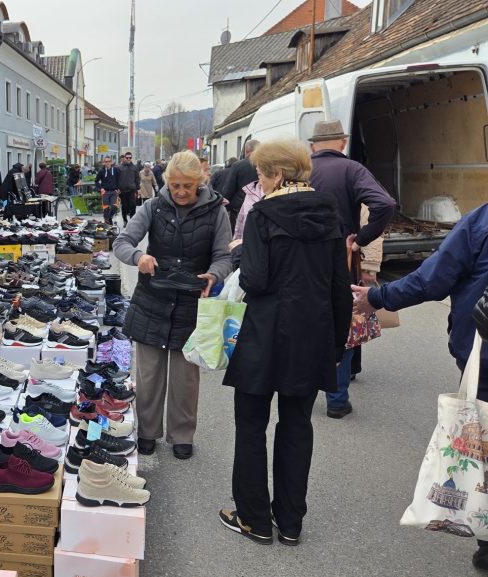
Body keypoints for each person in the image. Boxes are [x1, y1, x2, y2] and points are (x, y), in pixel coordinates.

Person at [218, 139, 352, 546]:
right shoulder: (330, 214)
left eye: (260, 174)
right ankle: (290, 522)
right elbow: (339, 286)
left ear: (277, 175)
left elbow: (255, 281)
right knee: (297, 426)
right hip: (312, 334)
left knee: (251, 425)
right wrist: (336, 345)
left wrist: (240, 253)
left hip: (265, 332)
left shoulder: (263, 214)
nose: (258, 181)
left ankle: (254, 518)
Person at [352, 203, 488, 570]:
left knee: (483, 446)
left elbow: (433, 279)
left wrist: (376, 298)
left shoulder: (481, 222)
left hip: (484, 357)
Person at [112, 151, 234, 460]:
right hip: (152, 301)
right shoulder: (152, 206)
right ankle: (147, 432)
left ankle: (182, 434)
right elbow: (122, 243)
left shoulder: (217, 212)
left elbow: (224, 256)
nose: (180, 192)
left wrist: (214, 274)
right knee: (149, 375)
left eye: (187, 186)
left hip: (191, 304)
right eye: (175, 185)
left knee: (185, 379)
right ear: (167, 182)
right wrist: (139, 257)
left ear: (200, 183)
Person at [308, 119, 396, 418]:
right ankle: (336, 400)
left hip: (300, 261)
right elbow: (384, 204)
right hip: (340, 259)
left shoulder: (299, 171)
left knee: (304, 321)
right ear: (343, 142)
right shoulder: (352, 170)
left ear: (312, 146)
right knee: (341, 323)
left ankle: (303, 392)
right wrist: (361, 239)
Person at [220, 139, 260, 226]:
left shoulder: (238, 165)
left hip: (239, 209)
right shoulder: (265, 164)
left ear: (246, 151)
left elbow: (228, 189)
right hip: (260, 207)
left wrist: (223, 205)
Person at [117, 152, 141, 226]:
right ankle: (125, 220)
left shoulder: (134, 167)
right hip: (123, 190)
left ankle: (132, 220)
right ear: (124, 158)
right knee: (124, 206)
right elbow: (116, 179)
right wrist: (117, 188)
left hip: (132, 190)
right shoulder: (120, 167)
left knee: (133, 205)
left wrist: (138, 189)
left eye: (130, 157)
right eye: (127, 157)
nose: (128, 159)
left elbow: (137, 179)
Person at [95, 156, 121, 225]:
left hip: (114, 192)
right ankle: (108, 224)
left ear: (111, 162)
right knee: (106, 209)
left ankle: (108, 219)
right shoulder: (101, 171)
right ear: (104, 163)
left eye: (109, 161)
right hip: (105, 192)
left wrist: (118, 188)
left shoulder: (115, 170)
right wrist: (101, 188)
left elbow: (119, 179)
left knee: (114, 207)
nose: (108, 163)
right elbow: (96, 181)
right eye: (106, 161)